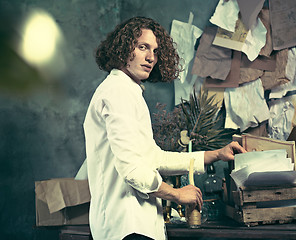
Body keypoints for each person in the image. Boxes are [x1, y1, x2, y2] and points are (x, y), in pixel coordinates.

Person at [83, 16, 246, 240]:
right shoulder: (117, 92)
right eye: (143, 47)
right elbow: (133, 171)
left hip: (135, 226)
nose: (151, 57)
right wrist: (176, 194)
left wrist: (215, 155)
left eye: (156, 51)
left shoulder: (128, 91)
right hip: (127, 227)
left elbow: (153, 158)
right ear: (122, 49)